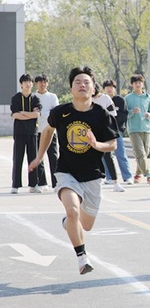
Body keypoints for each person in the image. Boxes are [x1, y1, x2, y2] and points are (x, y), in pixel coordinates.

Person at [28, 66, 119, 275]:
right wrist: (40, 156)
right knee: (72, 211)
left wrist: (97, 144)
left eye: (86, 82)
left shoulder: (101, 115)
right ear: (71, 89)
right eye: (77, 82)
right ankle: (82, 257)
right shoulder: (61, 112)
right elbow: (48, 129)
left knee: (85, 225)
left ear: (93, 88)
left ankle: (68, 224)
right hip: (66, 172)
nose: (82, 85)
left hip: (93, 175)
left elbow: (112, 144)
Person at [10, 73, 41, 194]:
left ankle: (34, 184)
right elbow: (15, 115)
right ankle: (15, 185)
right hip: (19, 133)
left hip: (32, 132)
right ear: (21, 84)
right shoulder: (16, 98)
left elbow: (37, 115)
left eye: (30, 82)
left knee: (33, 158)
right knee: (18, 158)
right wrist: (29, 115)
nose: (28, 84)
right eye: (25, 82)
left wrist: (23, 113)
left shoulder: (35, 98)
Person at [92, 83, 125, 192]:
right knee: (94, 158)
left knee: (108, 157)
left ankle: (115, 182)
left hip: (104, 131)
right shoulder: (87, 99)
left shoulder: (105, 98)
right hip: (92, 133)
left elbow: (113, 114)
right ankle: (97, 179)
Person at [124, 74, 150, 183]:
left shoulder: (147, 97)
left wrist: (149, 115)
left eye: (140, 82)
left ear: (142, 84)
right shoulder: (128, 98)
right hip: (133, 129)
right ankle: (148, 174)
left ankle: (137, 174)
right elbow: (124, 115)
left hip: (146, 128)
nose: (138, 84)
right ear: (132, 85)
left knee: (145, 153)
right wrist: (132, 112)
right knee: (140, 152)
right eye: (135, 83)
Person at [103, 79, 133, 185]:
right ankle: (109, 177)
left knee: (121, 154)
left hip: (117, 131)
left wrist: (114, 122)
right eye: (107, 87)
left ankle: (127, 176)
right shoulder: (103, 99)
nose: (109, 89)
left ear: (115, 88)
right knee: (106, 155)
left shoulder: (120, 100)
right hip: (105, 132)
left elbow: (123, 115)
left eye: (111, 87)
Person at [34, 74, 59, 191]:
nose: (42, 84)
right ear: (36, 84)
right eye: (40, 82)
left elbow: (55, 113)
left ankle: (56, 183)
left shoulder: (52, 97)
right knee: (39, 157)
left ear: (47, 83)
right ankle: (42, 182)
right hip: (37, 132)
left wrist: (41, 113)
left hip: (50, 131)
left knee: (53, 157)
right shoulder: (33, 97)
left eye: (44, 82)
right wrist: (44, 113)